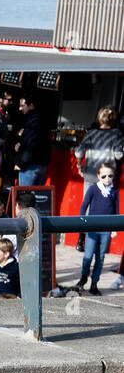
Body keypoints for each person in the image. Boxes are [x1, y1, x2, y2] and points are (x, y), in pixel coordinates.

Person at [76, 163, 119, 295]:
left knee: (100, 257)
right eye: (104, 176)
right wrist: (82, 222)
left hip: (106, 229)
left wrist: (115, 229)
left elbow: (116, 212)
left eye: (110, 176)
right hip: (92, 228)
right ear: (98, 176)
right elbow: (84, 206)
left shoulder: (114, 191)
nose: (107, 178)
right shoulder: (93, 189)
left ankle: (94, 283)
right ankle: (83, 279)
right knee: (88, 255)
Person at [74, 106, 124, 182]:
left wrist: (79, 167)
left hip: (90, 175)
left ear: (99, 119)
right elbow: (118, 155)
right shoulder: (116, 134)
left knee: (88, 194)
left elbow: (79, 152)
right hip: (106, 177)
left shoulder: (90, 133)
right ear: (114, 120)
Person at [13, 94, 50, 187]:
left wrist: (20, 163)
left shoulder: (33, 120)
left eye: (22, 106)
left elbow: (31, 145)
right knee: (38, 197)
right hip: (42, 164)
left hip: (30, 166)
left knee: (25, 197)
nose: (20, 109)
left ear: (31, 105)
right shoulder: (43, 118)